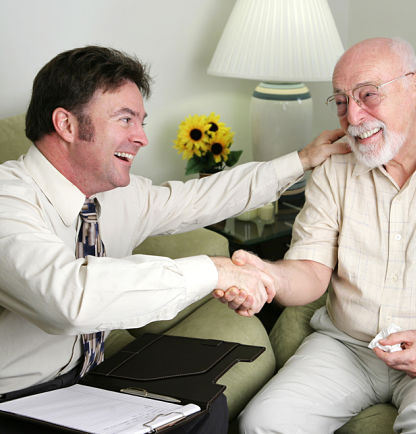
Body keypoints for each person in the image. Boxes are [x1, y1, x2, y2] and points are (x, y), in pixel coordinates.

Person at [0, 46, 347, 433]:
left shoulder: (112, 197)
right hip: (18, 396)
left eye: (141, 122)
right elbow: (69, 298)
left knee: (203, 408)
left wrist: (301, 160)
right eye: (126, 119)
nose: (142, 138)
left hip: (86, 378)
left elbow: (199, 198)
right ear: (66, 124)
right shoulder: (7, 201)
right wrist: (213, 271)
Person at [221, 37, 416, 433]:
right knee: (263, 423)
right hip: (346, 346)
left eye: (368, 95)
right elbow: (310, 269)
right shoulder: (334, 165)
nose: (354, 116)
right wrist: (269, 276)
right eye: (341, 101)